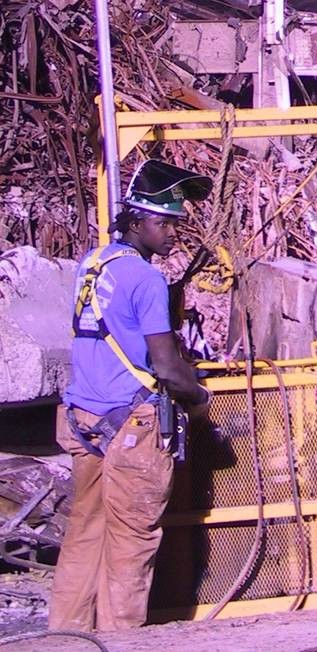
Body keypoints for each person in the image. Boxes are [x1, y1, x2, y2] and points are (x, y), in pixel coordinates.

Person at [49, 159, 214, 632]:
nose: (170, 234)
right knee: (131, 542)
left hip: (83, 418)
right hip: (131, 427)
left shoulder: (94, 262)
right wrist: (198, 396)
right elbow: (164, 366)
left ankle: (66, 636)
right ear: (136, 221)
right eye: (162, 223)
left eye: (174, 224)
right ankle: (122, 641)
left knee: (84, 533)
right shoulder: (147, 279)